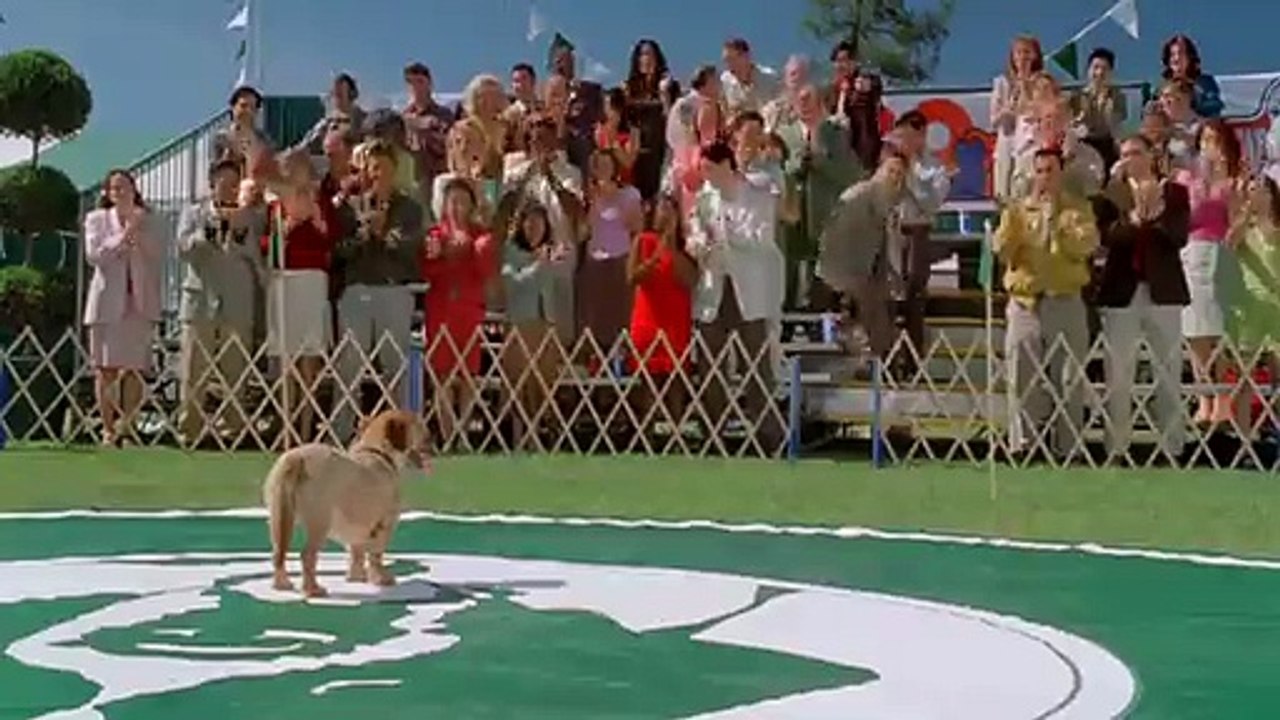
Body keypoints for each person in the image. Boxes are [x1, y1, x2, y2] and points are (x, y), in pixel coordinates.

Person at [994, 148, 1100, 461]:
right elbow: (1002, 251)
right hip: (1025, 301)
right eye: (1039, 171)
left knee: (1069, 377)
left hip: (1065, 299)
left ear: (1061, 173)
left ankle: (1068, 446)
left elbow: (1085, 246)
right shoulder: (1017, 211)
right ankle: (1023, 444)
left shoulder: (1078, 209)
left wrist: (1055, 223)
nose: (1044, 177)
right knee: (1021, 374)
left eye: (1050, 170)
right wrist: (1012, 233)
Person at [1094, 135, 1191, 461]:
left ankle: (1172, 446)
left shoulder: (1175, 193)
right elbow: (1107, 237)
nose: (1129, 159)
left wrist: (1156, 216)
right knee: (1119, 373)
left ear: (1151, 155)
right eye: (1124, 154)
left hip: (1164, 289)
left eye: (1135, 152)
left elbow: (1179, 236)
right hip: (1122, 290)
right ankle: (1116, 447)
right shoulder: (1112, 194)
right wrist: (1135, 219)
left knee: (1169, 370)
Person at [687, 141, 786, 448]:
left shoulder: (758, 194)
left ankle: (768, 434)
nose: (705, 175)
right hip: (714, 286)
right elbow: (694, 229)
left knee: (756, 361)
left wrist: (727, 236)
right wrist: (698, 243)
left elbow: (762, 238)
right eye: (702, 169)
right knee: (711, 361)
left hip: (750, 288)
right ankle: (712, 431)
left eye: (709, 169)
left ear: (726, 165)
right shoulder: (705, 197)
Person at [331, 140, 426, 443]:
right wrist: (363, 234)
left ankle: (400, 436)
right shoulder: (349, 207)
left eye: (384, 167)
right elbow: (339, 251)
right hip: (357, 291)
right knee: (349, 364)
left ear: (394, 170)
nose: (378, 174)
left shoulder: (410, 208)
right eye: (373, 168)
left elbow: (409, 248)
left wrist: (383, 232)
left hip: (394, 291)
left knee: (395, 366)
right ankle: (341, 432)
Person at [175, 158, 265, 446]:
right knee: (193, 370)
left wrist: (240, 230)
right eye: (223, 183)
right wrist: (207, 233)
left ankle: (233, 430)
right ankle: (189, 429)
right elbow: (183, 249)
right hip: (200, 300)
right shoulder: (193, 213)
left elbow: (255, 254)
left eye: (233, 184)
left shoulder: (250, 217)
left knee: (235, 369)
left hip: (237, 300)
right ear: (212, 184)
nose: (228, 189)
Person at [82, 169, 163, 447]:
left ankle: (128, 427)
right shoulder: (96, 219)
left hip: (138, 302)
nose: (120, 192)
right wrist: (124, 234)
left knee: (134, 369)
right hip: (107, 302)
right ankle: (108, 429)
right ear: (107, 193)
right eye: (114, 188)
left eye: (125, 186)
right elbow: (96, 255)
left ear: (134, 189)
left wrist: (137, 231)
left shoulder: (148, 219)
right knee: (106, 369)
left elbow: (156, 253)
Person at [261, 151, 337, 444]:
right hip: (284, 280)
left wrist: (316, 221)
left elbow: (331, 239)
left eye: (298, 168)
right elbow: (267, 244)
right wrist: (287, 228)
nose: (293, 174)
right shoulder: (276, 207)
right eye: (288, 170)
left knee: (309, 356)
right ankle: (286, 428)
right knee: (286, 357)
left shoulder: (321, 202)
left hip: (312, 280)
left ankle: (306, 428)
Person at [1175, 120, 1244, 427]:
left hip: (1221, 254)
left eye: (1215, 140)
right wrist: (1199, 186)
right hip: (1191, 253)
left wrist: (1226, 187)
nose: (1208, 147)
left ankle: (1223, 402)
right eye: (1204, 140)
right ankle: (1204, 400)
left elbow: (1236, 225)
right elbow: (1180, 220)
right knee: (1195, 332)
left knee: (1220, 330)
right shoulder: (1186, 179)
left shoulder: (1234, 182)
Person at [498, 114, 586, 350]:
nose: (540, 144)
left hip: (559, 259)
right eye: (534, 139)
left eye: (545, 138)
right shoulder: (515, 172)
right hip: (522, 261)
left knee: (559, 331)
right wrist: (524, 178)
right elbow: (504, 212)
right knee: (523, 326)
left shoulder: (571, 173)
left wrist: (551, 176)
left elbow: (575, 210)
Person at [422, 178, 496, 447]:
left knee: (467, 375)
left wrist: (474, 248)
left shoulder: (480, 236)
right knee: (442, 374)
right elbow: (427, 271)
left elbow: (486, 270)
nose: (456, 207)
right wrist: (441, 255)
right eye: (452, 201)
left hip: (469, 309)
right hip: (441, 310)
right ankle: (447, 434)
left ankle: (462, 434)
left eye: (462, 201)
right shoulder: (435, 235)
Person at [817, 148, 910, 361]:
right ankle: (874, 358)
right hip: (843, 266)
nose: (895, 178)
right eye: (891, 171)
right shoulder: (869, 194)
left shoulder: (876, 196)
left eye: (900, 174)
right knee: (873, 311)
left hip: (857, 267)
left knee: (876, 309)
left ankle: (874, 356)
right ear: (879, 170)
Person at [777, 83, 859, 310]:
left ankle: (819, 315)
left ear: (820, 103)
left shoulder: (836, 134)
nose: (804, 106)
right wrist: (797, 164)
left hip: (824, 213)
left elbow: (849, 174)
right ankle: (789, 315)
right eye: (800, 101)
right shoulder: (784, 134)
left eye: (809, 100)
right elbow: (778, 169)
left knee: (821, 272)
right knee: (791, 267)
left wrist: (822, 162)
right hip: (792, 214)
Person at [627, 193, 696, 430]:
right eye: (661, 208)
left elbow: (690, 280)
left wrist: (672, 247)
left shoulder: (687, 246)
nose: (666, 214)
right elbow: (632, 277)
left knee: (676, 380)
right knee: (648, 380)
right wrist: (653, 259)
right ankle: (646, 435)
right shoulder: (642, 241)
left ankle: (676, 434)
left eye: (670, 209)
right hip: (648, 318)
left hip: (675, 320)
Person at [889, 110, 952, 357]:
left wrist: (911, 176)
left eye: (907, 137)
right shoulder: (889, 163)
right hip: (892, 231)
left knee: (913, 294)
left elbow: (931, 203)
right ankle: (890, 356)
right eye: (899, 137)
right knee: (890, 293)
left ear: (921, 136)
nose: (902, 143)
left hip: (917, 231)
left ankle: (914, 358)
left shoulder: (934, 169)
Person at [499, 202, 561, 447]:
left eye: (539, 222)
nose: (534, 227)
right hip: (520, 323)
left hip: (544, 323)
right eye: (529, 222)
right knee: (519, 382)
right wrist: (538, 265)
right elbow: (513, 282)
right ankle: (517, 435)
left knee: (542, 381)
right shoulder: (511, 251)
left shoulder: (550, 252)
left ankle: (541, 434)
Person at [1226, 174, 1280, 438]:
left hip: (1277, 305)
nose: (1256, 194)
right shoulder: (1243, 228)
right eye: (1251, 190)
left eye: (1261, 190)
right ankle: (1244, 436)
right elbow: (1230, 243)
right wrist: (1246, 215)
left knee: (1278, 372)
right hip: (1250, 306)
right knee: (1245, 374)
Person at [580, 148, 644, 364]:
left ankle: (622, 359)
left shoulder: (630, 194)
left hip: (621, 257)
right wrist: (593, 200)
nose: (604, 170)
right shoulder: (588, 195)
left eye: (608, 165)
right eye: (599, 166)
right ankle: (596, 359)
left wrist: (616, 199)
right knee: (597, 313)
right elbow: (584, 229)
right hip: (595, 259)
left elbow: (637, 226)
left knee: (621, 312)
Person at [991, 36, 1045, 200]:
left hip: (1030, 146)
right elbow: (993, 121)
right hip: (1007, 143)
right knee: (1004, 193)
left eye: (1027, 52)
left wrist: (1026, 86)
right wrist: (1008, 110)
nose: (1022, 57)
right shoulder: (1001, 82)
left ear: (1035, 56)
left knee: (1026, 192)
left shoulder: (1042, 82)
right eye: (1018, 52)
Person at [1071, 48, 1127, 177]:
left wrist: (1106, 102)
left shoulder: (1117, 97)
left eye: (1104, 69)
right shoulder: (1077, 96)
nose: (1099, 73)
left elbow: (1115, 126)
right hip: (1083, 142)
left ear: (1110, 73)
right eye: (1095, 67)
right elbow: (1075, 124)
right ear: (1088, 70)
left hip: (1107, 143)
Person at [1159, 34, 1224, 119]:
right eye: (1172, 54)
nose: (1176, 58)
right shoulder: (1163, 87)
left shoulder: (1204, 83)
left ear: (1189, 57)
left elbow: (1214, 111)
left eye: (1180, 53)